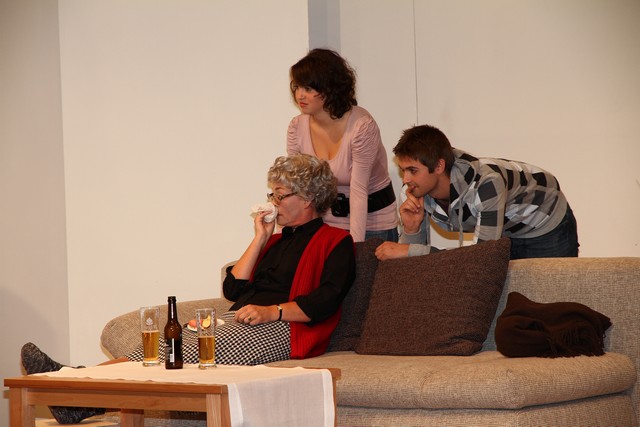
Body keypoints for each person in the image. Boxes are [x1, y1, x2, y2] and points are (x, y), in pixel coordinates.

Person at [20, 153, 356, 424]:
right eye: (272, 195)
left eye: (280, 195)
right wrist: (260, 238)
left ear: (309, 198)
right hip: (242, 318)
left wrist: (272, 312)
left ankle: (73, 387)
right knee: (168, 342)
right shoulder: (274, 241)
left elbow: (325, 300)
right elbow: (233, 288)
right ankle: (75, 387)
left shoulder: (336, 241)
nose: (273, 202)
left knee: (186, 349)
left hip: (286, 328)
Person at [375, 124, 579, 261]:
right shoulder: (412, 192)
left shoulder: (487, 184)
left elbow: (480, 259)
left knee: (554, 301)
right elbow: (412, 266)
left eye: (412, 170)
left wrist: (411, 251)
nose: (405, 180)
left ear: (438, 166)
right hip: (504, 227)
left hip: (544, 221)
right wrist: (411, 229)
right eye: (403, 170)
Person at [287, 48, 398, 242]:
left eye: (308, 89)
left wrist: (354, 247)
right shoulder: (296, 127)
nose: (300, 95)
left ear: (330, 88)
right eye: (297, 87)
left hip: (372, 225)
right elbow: (295, 187)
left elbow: (359, 191)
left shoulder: (362, 127)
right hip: (326, 223)